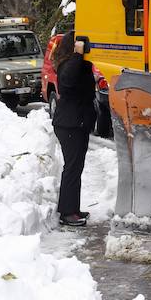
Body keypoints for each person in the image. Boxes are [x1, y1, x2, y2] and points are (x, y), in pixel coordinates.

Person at [52, 31, 96, 227]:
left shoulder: (79, 65)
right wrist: (78, 55)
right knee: (71, 168)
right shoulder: (65, 66)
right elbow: (68, 80)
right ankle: (67, 213)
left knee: (76, 168)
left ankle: (73, 209)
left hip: (77, 123)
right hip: (69, 124)